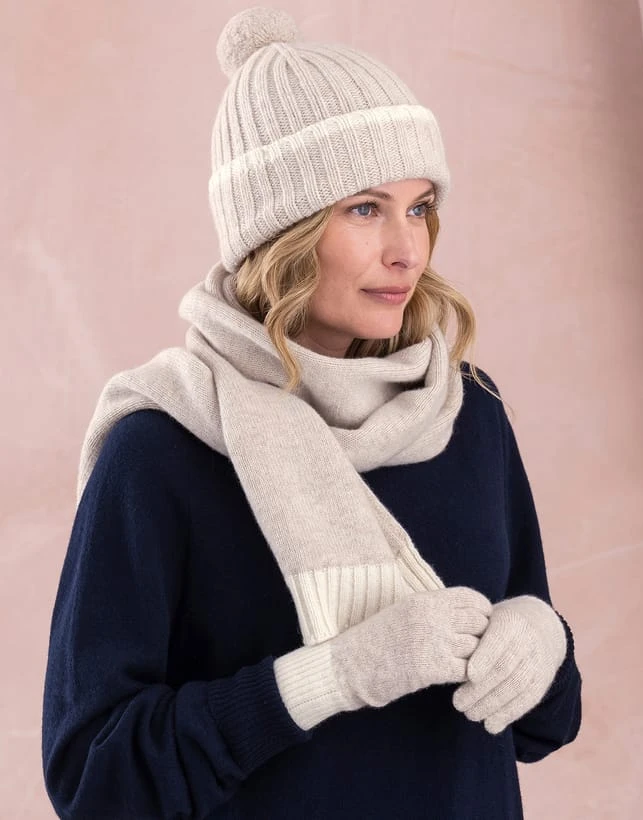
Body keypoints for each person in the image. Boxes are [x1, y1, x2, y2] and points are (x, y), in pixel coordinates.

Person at [41, 7, 582, 819]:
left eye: (419, 206)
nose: (407, 249)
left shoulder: (466, 413)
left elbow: (544, 725)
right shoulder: (163, 447)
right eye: (365, 208)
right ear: (280, 230)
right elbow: (96, 779)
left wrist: (541, 641)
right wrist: (328, 677)